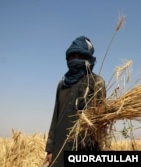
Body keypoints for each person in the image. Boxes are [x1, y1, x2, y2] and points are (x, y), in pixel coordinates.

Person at [43, 36, 106, 167]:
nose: (75, 59)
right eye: (72, 56)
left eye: (79, 56)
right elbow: (55, 118)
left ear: (88, 58)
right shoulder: (62, 85)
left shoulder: (96, 82)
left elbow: (100, 119)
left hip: (85, 147)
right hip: (59, 148)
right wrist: (50, 150)